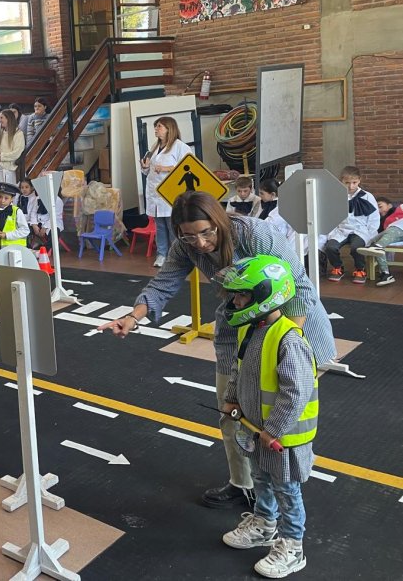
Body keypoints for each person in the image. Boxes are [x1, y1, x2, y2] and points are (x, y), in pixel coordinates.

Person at [97, 191, 335, 510]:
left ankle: (282, 500)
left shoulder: (253, 233)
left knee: (280, 417)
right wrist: (132, 317)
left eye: (206, 232)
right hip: (238, 326)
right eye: (188, 236)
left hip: (292, 325)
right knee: (231, 412)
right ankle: (244, 486)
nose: (200, 243)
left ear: (218, 221)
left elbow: (299, 288)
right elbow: (162, 284)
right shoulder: (186, 247)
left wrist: (282, 343)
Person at [219, 255, 316, 579]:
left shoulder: (288, 338)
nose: (235, 301)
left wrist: (273, 429)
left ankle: (293, 546)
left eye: (242, 295)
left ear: (265, 294)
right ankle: (264, 524)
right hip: (256, 431)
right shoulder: (251, 331)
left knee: (287, 490)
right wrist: (231, 398)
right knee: (261, 480)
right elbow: (239, 369)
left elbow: (295, 392)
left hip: (282, 438)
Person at [140, 116, 193, 268]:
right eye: (155, 126)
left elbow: (189, 167)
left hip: (171, 193)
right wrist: (145, 166)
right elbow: (148, 172)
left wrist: (166, 168)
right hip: (155, 194)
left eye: (159, 126)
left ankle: (176, 256)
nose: (156, 129)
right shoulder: (154, 147)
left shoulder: (180, 147)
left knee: (172, 226)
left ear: (169, 129)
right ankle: (162, 254)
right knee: (160, 227)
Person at [322, 165, 379, 284]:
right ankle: (338, 267)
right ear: (341, 181)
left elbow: (374, 218)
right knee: (330, 247)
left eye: (354, 182)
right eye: (347, 183)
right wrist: (331, 232)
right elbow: (331, 216)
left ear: (359, 180)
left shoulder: (367, 196)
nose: (351, 186)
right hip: (341, 230)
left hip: (360, 230)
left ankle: (360, 269)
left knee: (356, 247)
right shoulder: (336, 196)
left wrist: (371, 234)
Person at [358, 194, 403, 286]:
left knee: (379, 243)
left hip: (398, 229)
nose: (378, 210)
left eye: (380, 206)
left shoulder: (398, 209)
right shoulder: (383, 218)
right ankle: (386, 273)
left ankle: (378, 246)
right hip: (391, 232)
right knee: (373, 241)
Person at [0, 182, 29, 250]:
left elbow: (25, 230)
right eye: (0, 197)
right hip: (0, 251)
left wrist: (7, 235)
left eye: (6, 198)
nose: (2, 200)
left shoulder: (17, 211)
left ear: (12, 199)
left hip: (16, 250)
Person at [256, 179, 296, 247]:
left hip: (277, 240)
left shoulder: (281, 206)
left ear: (273, 194)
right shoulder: (264, 203)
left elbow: (270, 222)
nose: (259, 195)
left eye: (262, 193)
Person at [0, 108, 25, 184]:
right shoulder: (0, 132)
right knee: (0, 189)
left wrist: (0, 156)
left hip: (11, 169)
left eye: (1, 118)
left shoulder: (18, 134)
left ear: (8, 119)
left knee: (10, 190)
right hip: (0, 167)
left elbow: (17, 153)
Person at [18, 177, 50, 249]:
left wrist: (33, 224)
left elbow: (33, 213)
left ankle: (26, 248)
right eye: (22, 187)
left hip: (31, 222)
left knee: (25, 230)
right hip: (21, 221)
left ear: (32, 188)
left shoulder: (35, 198)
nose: (24, 189)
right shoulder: (19, 198)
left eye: (26, 187)